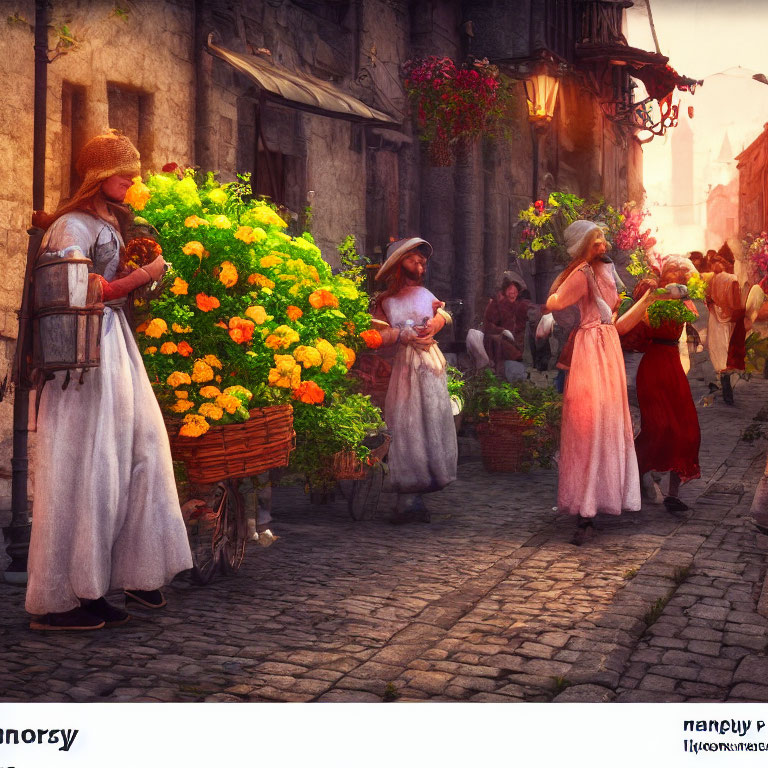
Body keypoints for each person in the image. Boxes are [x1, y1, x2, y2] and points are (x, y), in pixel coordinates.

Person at [25, 130, 192, 631]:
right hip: (81, 355)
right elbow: (75, 291)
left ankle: (107, 579)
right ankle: (62, 598)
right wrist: (142, 276)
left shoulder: (107, 223)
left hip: (114, 346)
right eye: (123, 171)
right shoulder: (69, 226)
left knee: (134, 455)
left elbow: (112, 283)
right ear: (98, 175)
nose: (131, 180)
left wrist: (142, 271)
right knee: (88, 466)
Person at [545, 220, 654, 544]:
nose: (604, 246)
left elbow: (617, 325)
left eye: (603, 240)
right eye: (596, 242)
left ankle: (603, 498)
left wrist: (646, 301)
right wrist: (570, 274)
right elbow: (554, 303)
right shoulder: (582, 275)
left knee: (607, 424)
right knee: (588, 426)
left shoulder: (606, 273)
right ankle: (585, 510)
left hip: (608, 350)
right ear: (584, 247)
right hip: (590, 350)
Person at [372, 237, 457, 524]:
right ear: (399, 264)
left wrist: (437, 322)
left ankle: (423, 489)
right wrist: (400, 335)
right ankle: (406, 496)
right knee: (407, 426)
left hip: (430, 367)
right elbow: (374, 336)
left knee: (430, 423)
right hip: (404, 369)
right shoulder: (385, 302)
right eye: (413, 260)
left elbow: (442, 314)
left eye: (422, 261)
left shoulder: (426, 294)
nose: (420, 265)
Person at [621, 256, 701, 513]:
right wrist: (656, 298)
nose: (680, 280)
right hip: (653, 365)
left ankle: (673, 493)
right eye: (676, 276)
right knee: (656, 428)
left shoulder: (683, 300)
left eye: (683, 277)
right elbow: (640, 323)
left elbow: (692, 314)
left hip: (674, 368)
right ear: (666, 277)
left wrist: (680, 297)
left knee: (685, 430)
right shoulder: (652, 297)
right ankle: (635, 481)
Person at [705, 243, 745, 404]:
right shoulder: (733, 280)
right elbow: (736, 306)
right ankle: (727, 391)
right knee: (728, 354)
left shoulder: (712, 279)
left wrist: (717, 308)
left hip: (715, 319)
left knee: (719, 354)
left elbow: (708, 299)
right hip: (728, 322)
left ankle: (724, 387)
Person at [482, 272, 532, 381]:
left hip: (518, 344)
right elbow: (487, 324)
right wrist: (502, 330)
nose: (513, 294)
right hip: (499, 341)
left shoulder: (521, 304)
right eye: (510, 292)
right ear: (505, 291)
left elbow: (530, 311)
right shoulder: (496, 304)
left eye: (515, 292)